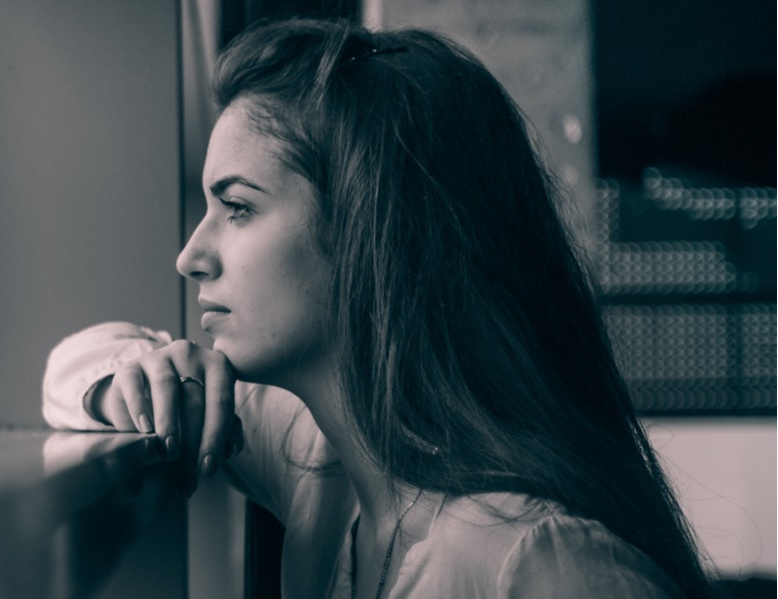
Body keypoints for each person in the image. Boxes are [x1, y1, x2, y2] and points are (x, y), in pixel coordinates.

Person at [43, 18, 713, 598]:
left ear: (372, 231)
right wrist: (135, 382)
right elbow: (71, 366)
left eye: (238, 207)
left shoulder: (540, 564)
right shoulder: (326, 465)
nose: (191, 255)